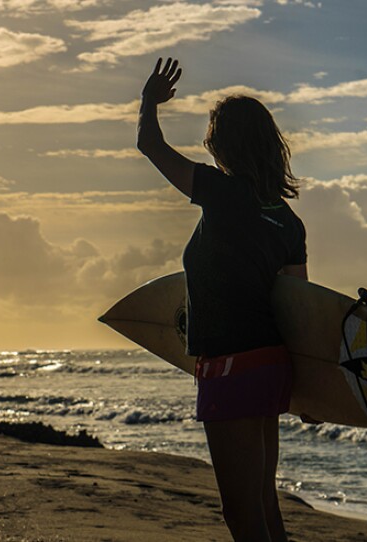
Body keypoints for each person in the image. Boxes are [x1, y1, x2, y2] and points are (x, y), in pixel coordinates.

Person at [137, 57, 308, 542]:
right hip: (272, 366)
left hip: (231, 365)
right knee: (263, 501)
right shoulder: (288, 221)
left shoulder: (222, 193)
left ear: (222, 144)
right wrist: (307, 388)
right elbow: (297, 307)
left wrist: (149, 101)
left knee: (241, 512)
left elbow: (149, 145)